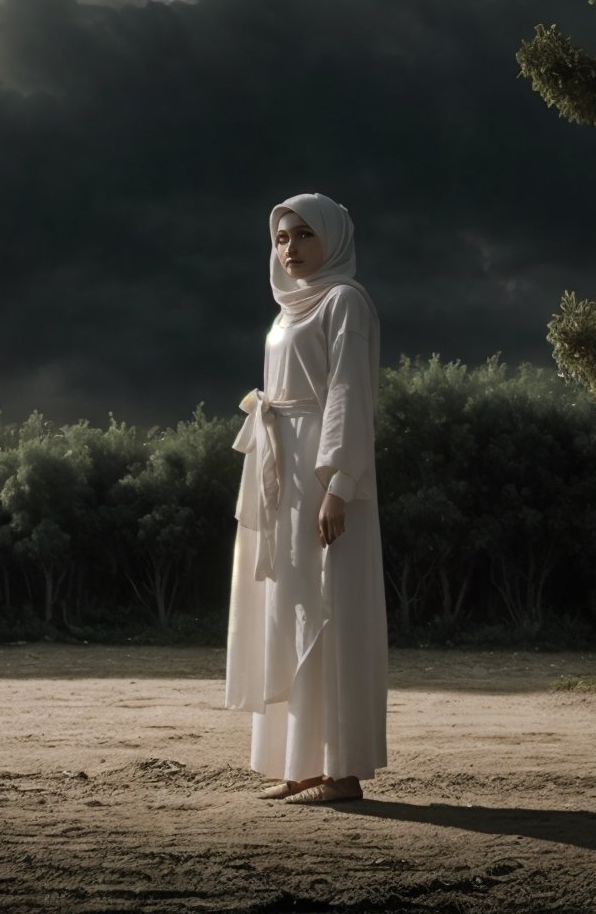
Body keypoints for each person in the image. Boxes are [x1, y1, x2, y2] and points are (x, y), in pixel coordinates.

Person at [224, 192, 387, 805]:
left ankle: (342, 772)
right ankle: (300, 767)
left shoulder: (345, 301)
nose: (291, 248)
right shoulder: (285, 311)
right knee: (288, 612)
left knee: (331, 610)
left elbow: (350, 393)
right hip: (280, 476)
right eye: (282, 238)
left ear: (333, 239)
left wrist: (339, 486)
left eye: (304, 236)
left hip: (325, 477)